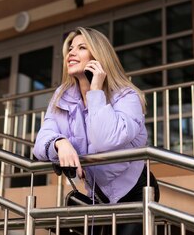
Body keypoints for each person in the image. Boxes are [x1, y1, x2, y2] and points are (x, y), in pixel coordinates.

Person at [34, 27, 159, 235]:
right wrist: (60, 143)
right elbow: (40, 143)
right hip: (97, 195)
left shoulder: (127, 97)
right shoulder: (61, 97)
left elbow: (104, 140)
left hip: (136, 191)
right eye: (70, 48)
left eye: (81, 48)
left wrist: (96, 92)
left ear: (98, 57)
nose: (71, 53)